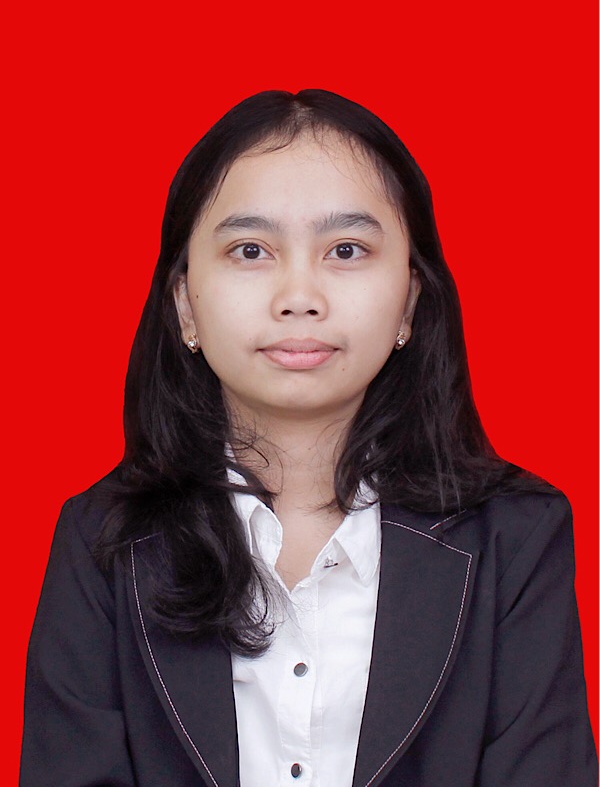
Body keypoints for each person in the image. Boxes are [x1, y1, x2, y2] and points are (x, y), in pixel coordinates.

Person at [20, 89, 597, 787]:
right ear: (183, 305)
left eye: (346, 250)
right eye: (251, 250)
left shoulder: (516, 539)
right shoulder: (102, 543)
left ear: (410, 302)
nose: (300, 296)